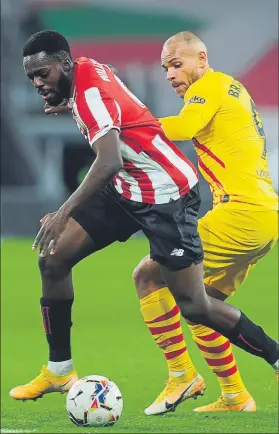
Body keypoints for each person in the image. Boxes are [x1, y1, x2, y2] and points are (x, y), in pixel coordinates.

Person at [9, 30, 279, 404]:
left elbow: (108, 161)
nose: (38, 83)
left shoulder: (93, 94)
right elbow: (115, 93)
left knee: (195, 304)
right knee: (53, 258)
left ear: (65, 65)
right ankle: (60, 370)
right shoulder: (89, 69)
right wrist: (74, 102)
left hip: (166, 194)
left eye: (43, 74)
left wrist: (63, 211)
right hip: (128, 185)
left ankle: (273, 355)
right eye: (32, 78)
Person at [132, 31, 279, 415]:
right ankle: (235, 396)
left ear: (202, 58)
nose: (170, 74)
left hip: (240, 212)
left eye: (177, 64)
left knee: (148, 275)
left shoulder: (209, 84)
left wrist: (125, 125)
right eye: (166, 68)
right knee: (200, 305)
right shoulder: (232, 89)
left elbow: (182, 128)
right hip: (262, 216)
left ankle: (181, 375)